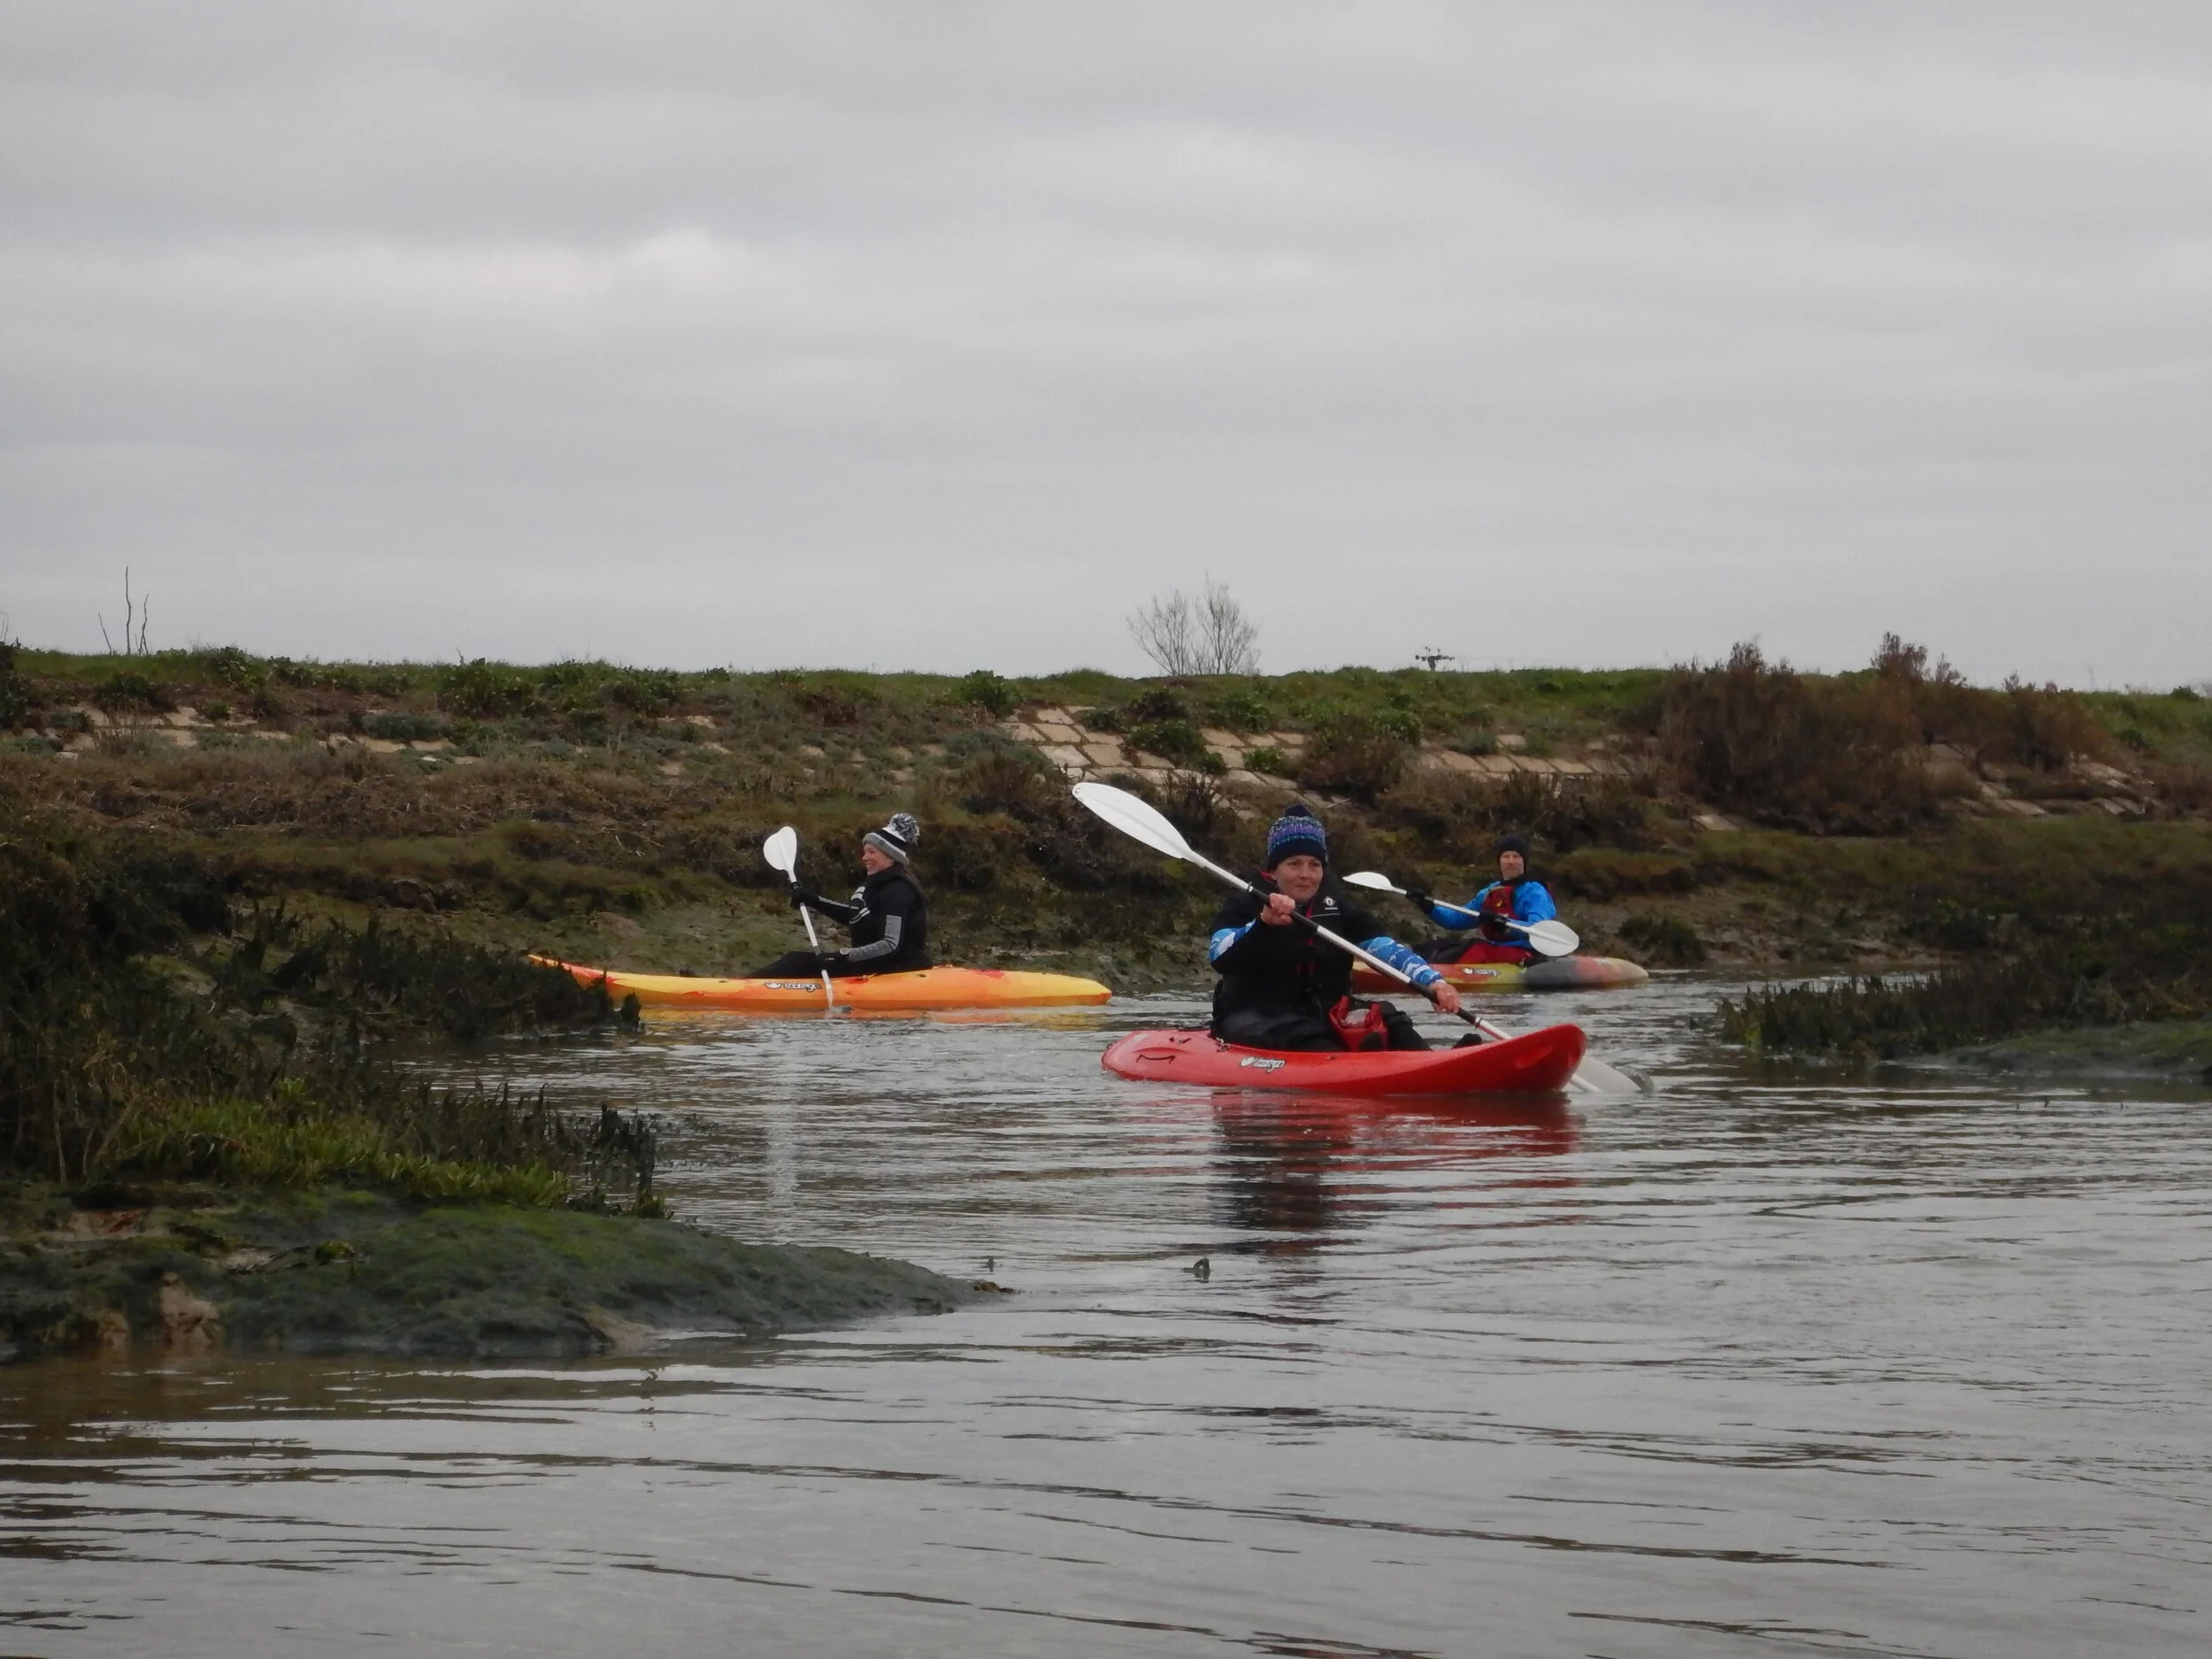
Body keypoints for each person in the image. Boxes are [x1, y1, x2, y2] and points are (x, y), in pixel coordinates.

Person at [1209, 803, 1465, 1052]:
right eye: (1294, 863)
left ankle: (1441, 1067)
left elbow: (1384, 949)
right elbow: (1219, 956)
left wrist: (1433, 982)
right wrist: (1262, 924)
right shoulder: (1244, 904)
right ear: (1274, 871)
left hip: (1324, 1012)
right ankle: (1354, 1067)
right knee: (1311, 1040)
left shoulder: (1340, 909)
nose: (1305, 874)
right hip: (1255, 1016)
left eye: (1314, 864)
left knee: (1393, 1023)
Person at [750, 812, 932, 979]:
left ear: (891, 858)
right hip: (870, 964)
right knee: (796, 960)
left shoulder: (898, 891)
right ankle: (741, 986)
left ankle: (741, 989)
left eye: (872, 852)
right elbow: (855, 915)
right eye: (865, 852)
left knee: (796, 962)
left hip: (895, 969)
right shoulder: (873, 886)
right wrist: (812, 899)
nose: (865, 858)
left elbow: (890, 944)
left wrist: (842, 956)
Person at [1406, 833, 1559, 965]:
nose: (1511, 861)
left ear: (1524, 861)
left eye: (1516, 857)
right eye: (1506, 856)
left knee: (1474, 948)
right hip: (1495, 949)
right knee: (1438, 947)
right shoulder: (1490, 891)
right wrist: (1428, 906)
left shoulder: (1535, 892)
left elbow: (1538, 929)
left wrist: (1505, 925)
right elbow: (1457, 919)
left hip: (1523, 953)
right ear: (1499, 861)